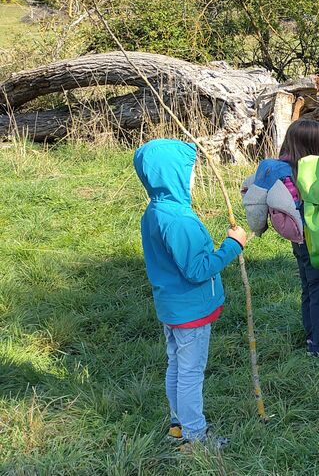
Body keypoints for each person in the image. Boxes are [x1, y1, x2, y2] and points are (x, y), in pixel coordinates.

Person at [133, 139, 247, 448]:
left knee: (177, 366)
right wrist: (233, 245)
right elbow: (197, 270)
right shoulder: (179, 220)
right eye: (189, 170)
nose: (193, 175)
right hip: (190, 311)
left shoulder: (156, 210)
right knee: (190, 372)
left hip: (172, 307)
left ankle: (178, 425)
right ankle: (195, 435)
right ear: (172, 173)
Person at [269, 119, 319, 357]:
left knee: (309, 287)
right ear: (315, 145)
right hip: (315, 239)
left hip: (297, 239)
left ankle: (314, 336)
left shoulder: (281, 170)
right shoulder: (309, 172)